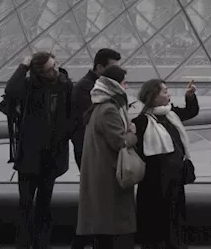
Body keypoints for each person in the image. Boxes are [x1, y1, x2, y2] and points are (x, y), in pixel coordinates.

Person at [4, 52, 74, 249]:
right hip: (30, 155)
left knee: (44, 204)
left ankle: (42, 243)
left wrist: (65, 134)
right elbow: (10, 90)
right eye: (50, 68)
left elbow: (71, 113)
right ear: (39, 73)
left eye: (56, 65)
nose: (56, 70)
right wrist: (23, 66)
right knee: (25, 204)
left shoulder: (65, 85)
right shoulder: (27, 86)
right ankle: (24, 244)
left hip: (52, 153)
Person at [76, 64, 138, 249]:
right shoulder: (109, 109)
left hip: (101, 173)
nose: (126, 87)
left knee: (103, 229)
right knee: (110, 228)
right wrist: (133, 134)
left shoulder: (99, 106)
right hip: (108, 176)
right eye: (124, 83)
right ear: (115, 85)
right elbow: (119, 141)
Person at [133, 79, 200, 249]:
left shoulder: (171, 113)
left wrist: (190, 96)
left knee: (174, 220)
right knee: (155, 223)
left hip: (174, 181)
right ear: (153, 96)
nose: (168, 94)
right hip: (153, 183)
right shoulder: (141, 122)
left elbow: (191, 111)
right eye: (164, 91)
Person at [70, 48, 121, 249]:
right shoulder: (86, 88)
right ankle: (86, 242)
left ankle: (91, 241)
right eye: (113, 68)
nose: (117, 74)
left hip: (96, 150)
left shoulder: (93, 87)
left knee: (97, 200)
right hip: (90, 152)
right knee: (95, 200)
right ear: (100, 67)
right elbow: (94, 120)